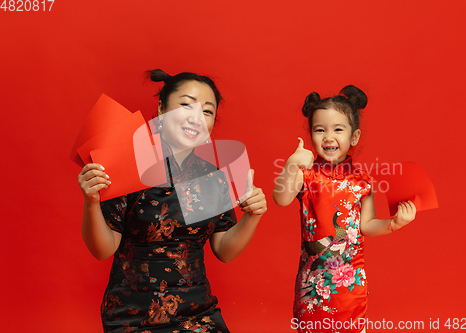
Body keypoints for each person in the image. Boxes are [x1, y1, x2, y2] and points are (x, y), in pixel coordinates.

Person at [78, 69, 267, 333]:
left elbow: (224, 249)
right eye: (185, 105)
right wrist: (90, 202)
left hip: (198, 313)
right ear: (161, 108)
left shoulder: (213, 176)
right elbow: (103, 249)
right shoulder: (127, 164)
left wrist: (252, 215)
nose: (196, 118)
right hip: (133, 315)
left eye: (207, 111)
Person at [273, 85, 416, 333]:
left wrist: (395, 223)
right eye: (320, 130)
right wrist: (290, 166)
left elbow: (367, 226)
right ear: (311, 135)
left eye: (338, 129)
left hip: (350, 285)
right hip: (313, 285)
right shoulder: (305, 175)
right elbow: (281, 198)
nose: (329, 137)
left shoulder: (362, 181)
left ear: (354, 137)